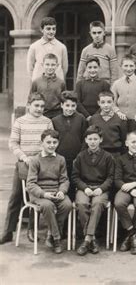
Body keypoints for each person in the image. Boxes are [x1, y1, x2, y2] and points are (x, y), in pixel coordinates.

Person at [0, 93, 53, 245]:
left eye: (42, 106)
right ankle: (8, 231)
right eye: (36, 106)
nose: (39, 109)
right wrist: (24, 157)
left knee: (34, 196)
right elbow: (13, 143)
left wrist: (41, 157)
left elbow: (51, 141)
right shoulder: (20, 122)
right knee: (16, 196)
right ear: (29, 105)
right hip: (24, 162)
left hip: (41, 163)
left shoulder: (47, 122)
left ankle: (32, 229)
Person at [26, 129, 72, 254]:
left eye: (55, 142)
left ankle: (51, 233)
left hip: (55, 191)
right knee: (48, 205)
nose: (52, 145)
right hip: (39, 194)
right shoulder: (35, 160)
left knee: (67, 205)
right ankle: (56, 238)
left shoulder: (61, 159)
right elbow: (30, 184)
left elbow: (64, 179)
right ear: (42, 143)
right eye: (49, 142)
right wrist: (44, 194)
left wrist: (62, 191)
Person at [71, 125, 115, 256]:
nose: (93, 142)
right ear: (86, 140)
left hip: (101, 188)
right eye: (90, 139)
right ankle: (92, 238)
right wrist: (85, 188)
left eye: (95, 139)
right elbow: (75, 176)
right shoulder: (80, 156)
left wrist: (101, 189)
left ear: (101, 140)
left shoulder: (108, 157)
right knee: (82, 204)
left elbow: (111, 177)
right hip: (84, 187)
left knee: (97, 204)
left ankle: (86, 240)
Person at [52, 91, 88, 200]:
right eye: (67, 105)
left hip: (76, 158)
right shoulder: (55, 120)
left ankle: (74, 213)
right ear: (62, 105)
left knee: (74, 184)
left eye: (73, 106)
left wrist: (80, 156)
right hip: (60, 158)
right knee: (62, 183)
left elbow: (85, 139)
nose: (70, 108)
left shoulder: (81, 119)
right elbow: (53, 140)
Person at [27, 16, 68, 81]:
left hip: (56, 84)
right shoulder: (34, 47)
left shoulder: (62, 47)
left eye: (53, 29)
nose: (51, 32)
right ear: (42, 30)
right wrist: (37, 81)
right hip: (39, 85)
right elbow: (30, 68)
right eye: (48, 29)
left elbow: (64, 68)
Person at [111, 54, 136, 123]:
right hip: (120, 120)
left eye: (131, 66)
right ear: (121, 66)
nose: (128, 69)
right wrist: (118, 112)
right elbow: (112, 103)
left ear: (135, 66)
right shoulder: (116, 84)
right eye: (126, 66)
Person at [88, 91, 128, 157]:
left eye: (109, 102)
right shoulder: (93, 119)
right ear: (98, 103)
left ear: (113, 102)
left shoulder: (120, 119)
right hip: (98, 153)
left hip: (115, 154)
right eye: (103, 102)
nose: (106, 105)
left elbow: (124, 140)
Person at [30, 53, 66, 119]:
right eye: (47, 64)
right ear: (42, 65)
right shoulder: (36, 82)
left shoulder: (61, 83)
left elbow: (63, 100)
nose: (50, 67)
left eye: (53, 65)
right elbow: (30, 99)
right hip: (40, 113)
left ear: (57, 65)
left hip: (57, 114)